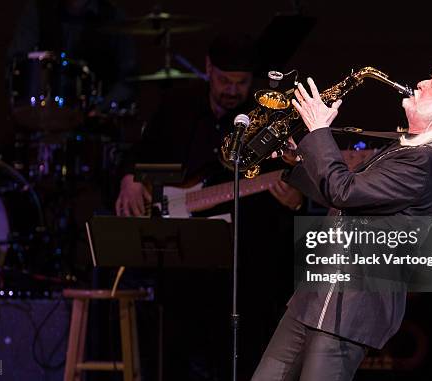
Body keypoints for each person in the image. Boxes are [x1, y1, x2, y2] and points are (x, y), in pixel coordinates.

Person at [251, 61, 432, 380]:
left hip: (350, 308)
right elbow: (350, 201)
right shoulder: (409, 149)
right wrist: (299, 158)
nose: (420, 83)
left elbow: (344, 192)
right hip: (316, 295)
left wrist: (319, 131)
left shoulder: (427, 161)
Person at [115, 33, 304, 379]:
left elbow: (298, 186)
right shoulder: (179, 107)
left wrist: (296, 200)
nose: (232, 90)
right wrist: (130, 177)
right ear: (208, 69)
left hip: (246, 261)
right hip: (183, 262)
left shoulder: (268, 117)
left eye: (241, 83)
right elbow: (141, 151)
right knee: (174, 345)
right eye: (224, 81)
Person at [7, 0, 137, 114]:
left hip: (94, 125)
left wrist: (101, 108)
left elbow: (128, 79)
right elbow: (16, 62)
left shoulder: (112, 15)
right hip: (39, 117)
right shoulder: (38, 9)